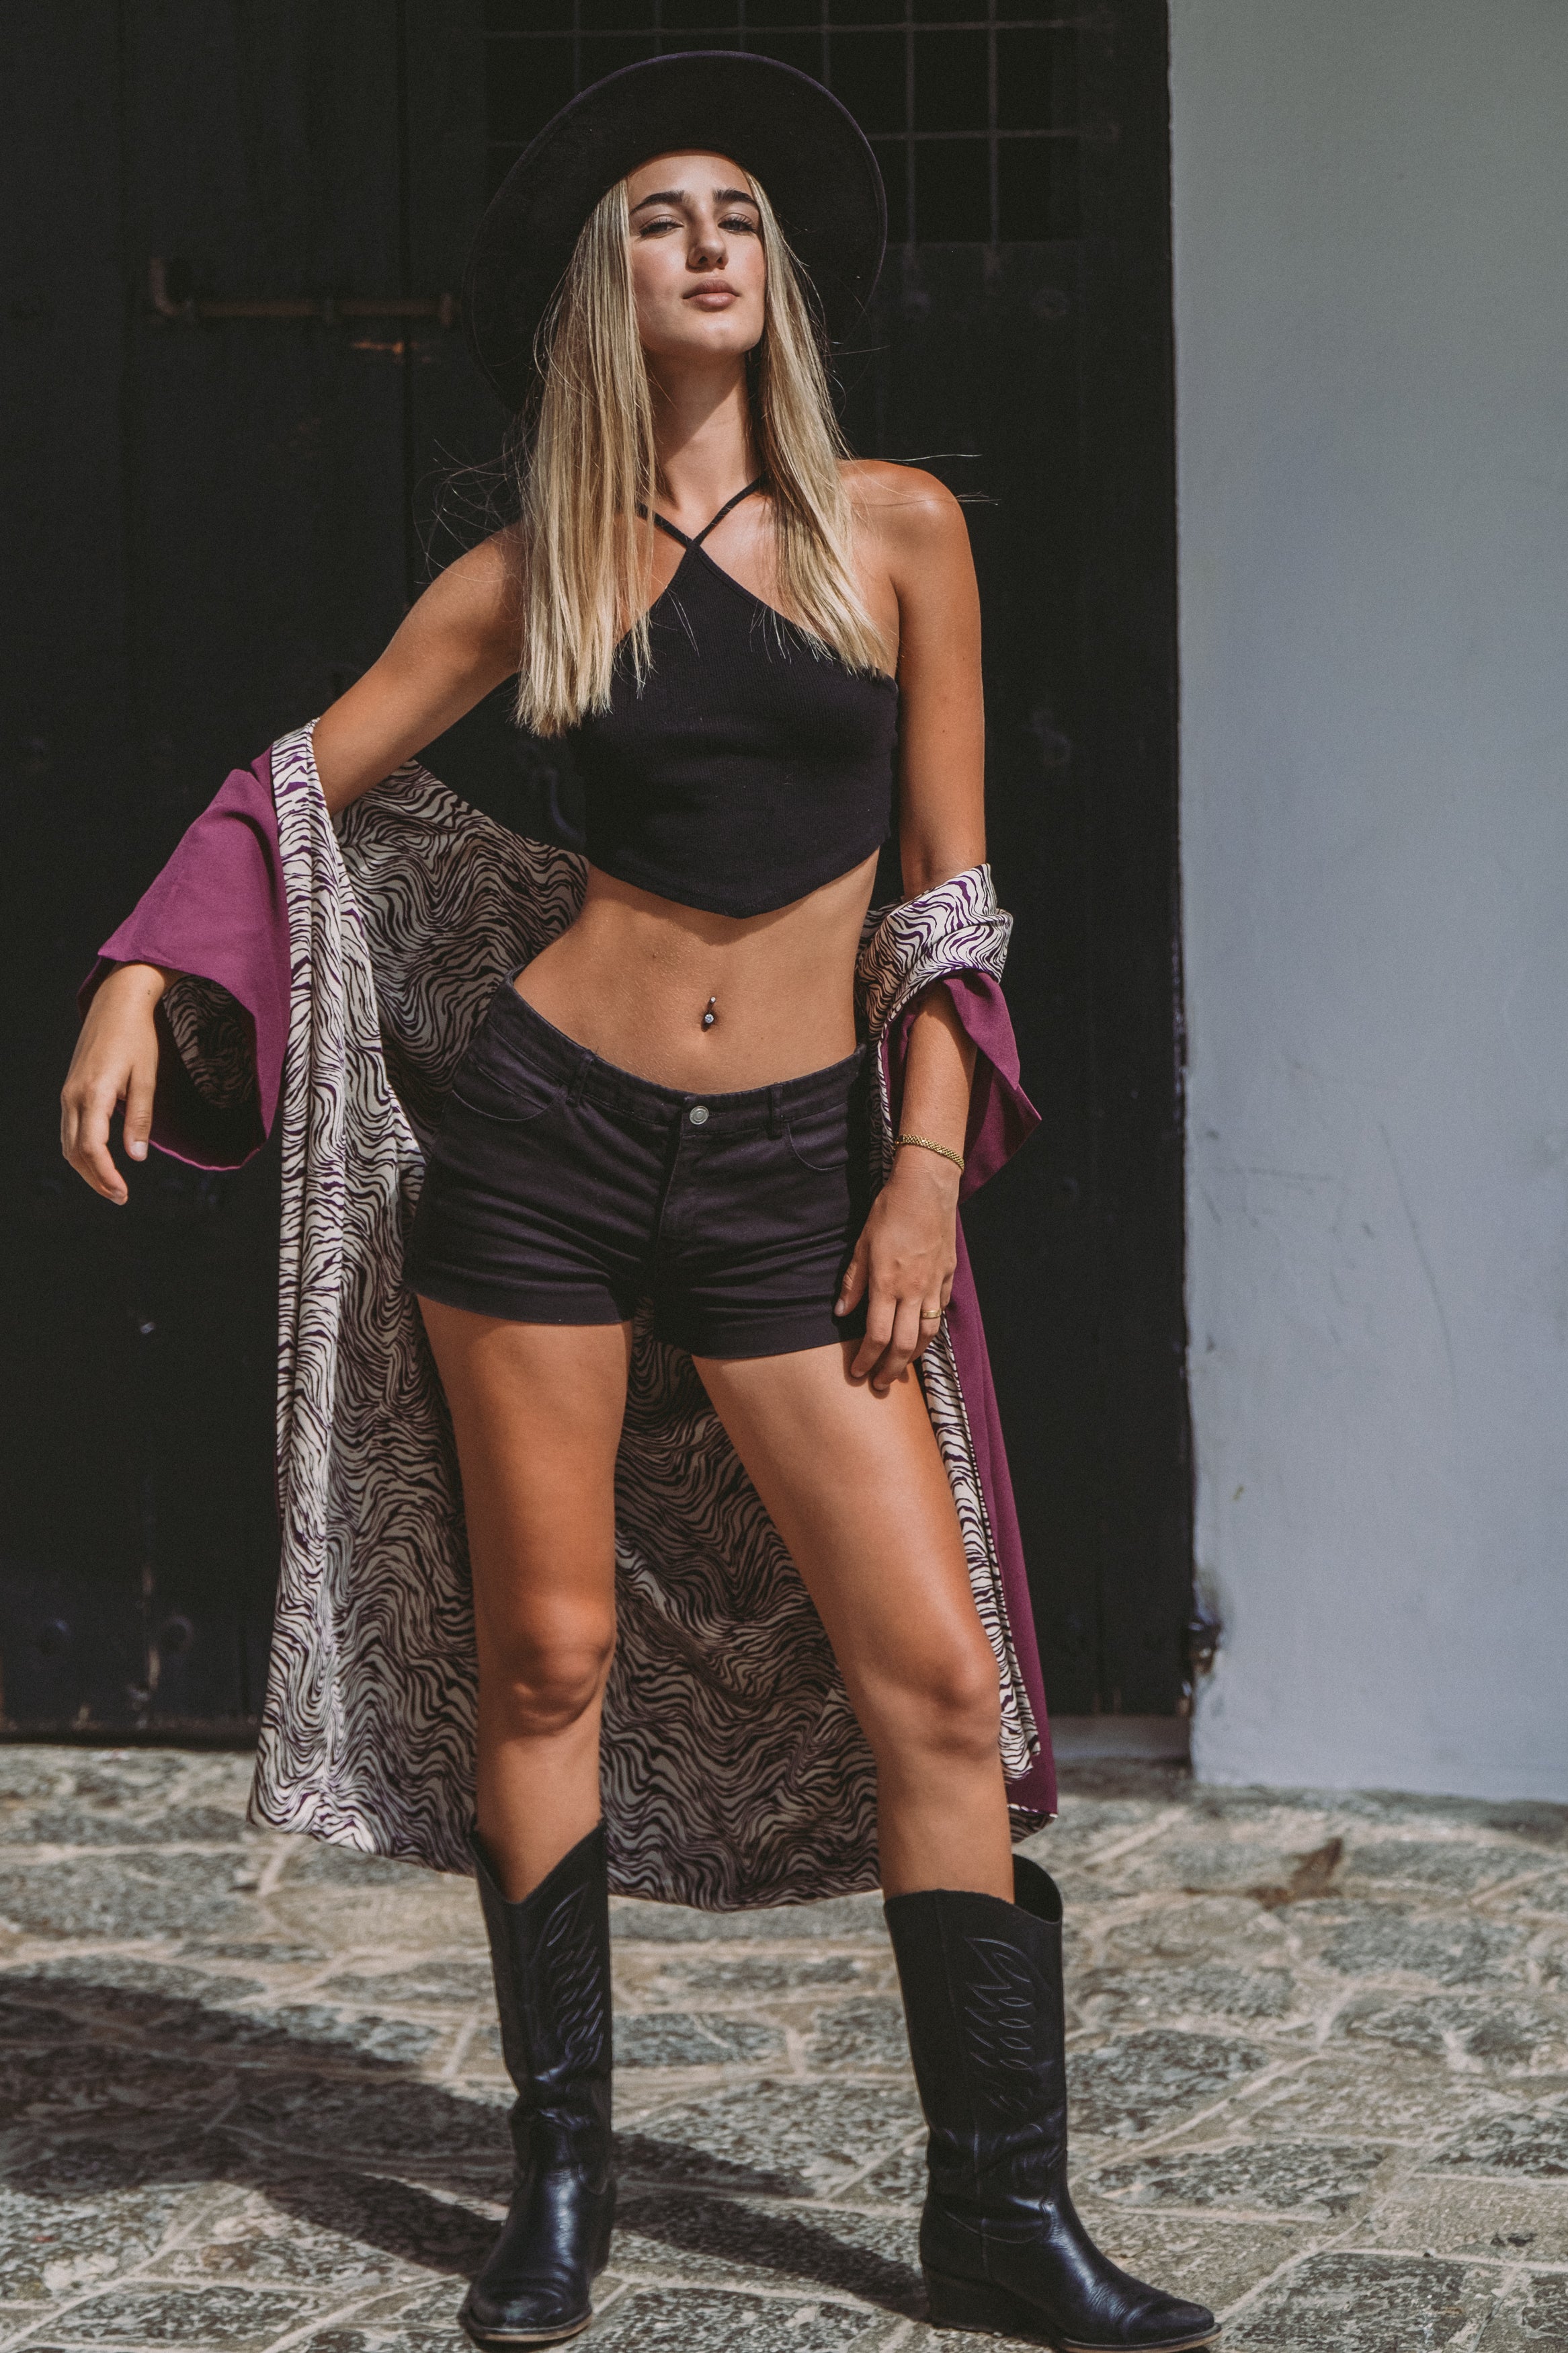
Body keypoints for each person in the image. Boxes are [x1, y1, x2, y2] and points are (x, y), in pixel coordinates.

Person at [60, 51, 1216, 2353]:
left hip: (802, 1173)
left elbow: (949, 898)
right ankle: (561, 2181)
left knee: (932, 1672)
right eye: (666, 215)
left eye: (742, 215)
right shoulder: (535, 570)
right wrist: (138, 966)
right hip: (547, 1151)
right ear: (607, 282)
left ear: (779, 278)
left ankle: (1002, 2211)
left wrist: (921, 1170)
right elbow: (297, 784)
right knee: (547, 1655)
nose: (711, 240)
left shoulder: (900, 529)